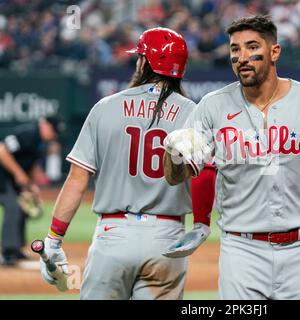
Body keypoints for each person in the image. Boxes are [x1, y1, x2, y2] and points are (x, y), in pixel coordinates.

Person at [163, 15, 300, 300]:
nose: (241, 57)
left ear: (274, 51)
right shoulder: (212, 105)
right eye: (235, 49)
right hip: (241, 252)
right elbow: (176, 177)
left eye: (251, 47)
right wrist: (174, 153)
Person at [38, 27, 215, 300]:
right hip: (167, 238)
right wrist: (202, 223)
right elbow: (207, 175)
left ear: (145, 62)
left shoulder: (106, 107)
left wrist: (54, 239)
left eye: (140, 57)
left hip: (114, 234)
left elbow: (77, 179)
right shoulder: (195, 113)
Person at [0, 116, 62, 266]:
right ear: (44, 125)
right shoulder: (28, 134)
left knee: (21, 207)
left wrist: (31, 186)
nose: (53, 135)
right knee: (13, 206)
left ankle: (16, 249)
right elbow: (2, 151)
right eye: (53, 131)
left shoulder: (41, 143)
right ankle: (8, 253)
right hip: (2, 178)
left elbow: (32, 165)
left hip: (9, 179)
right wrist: (18, 173)